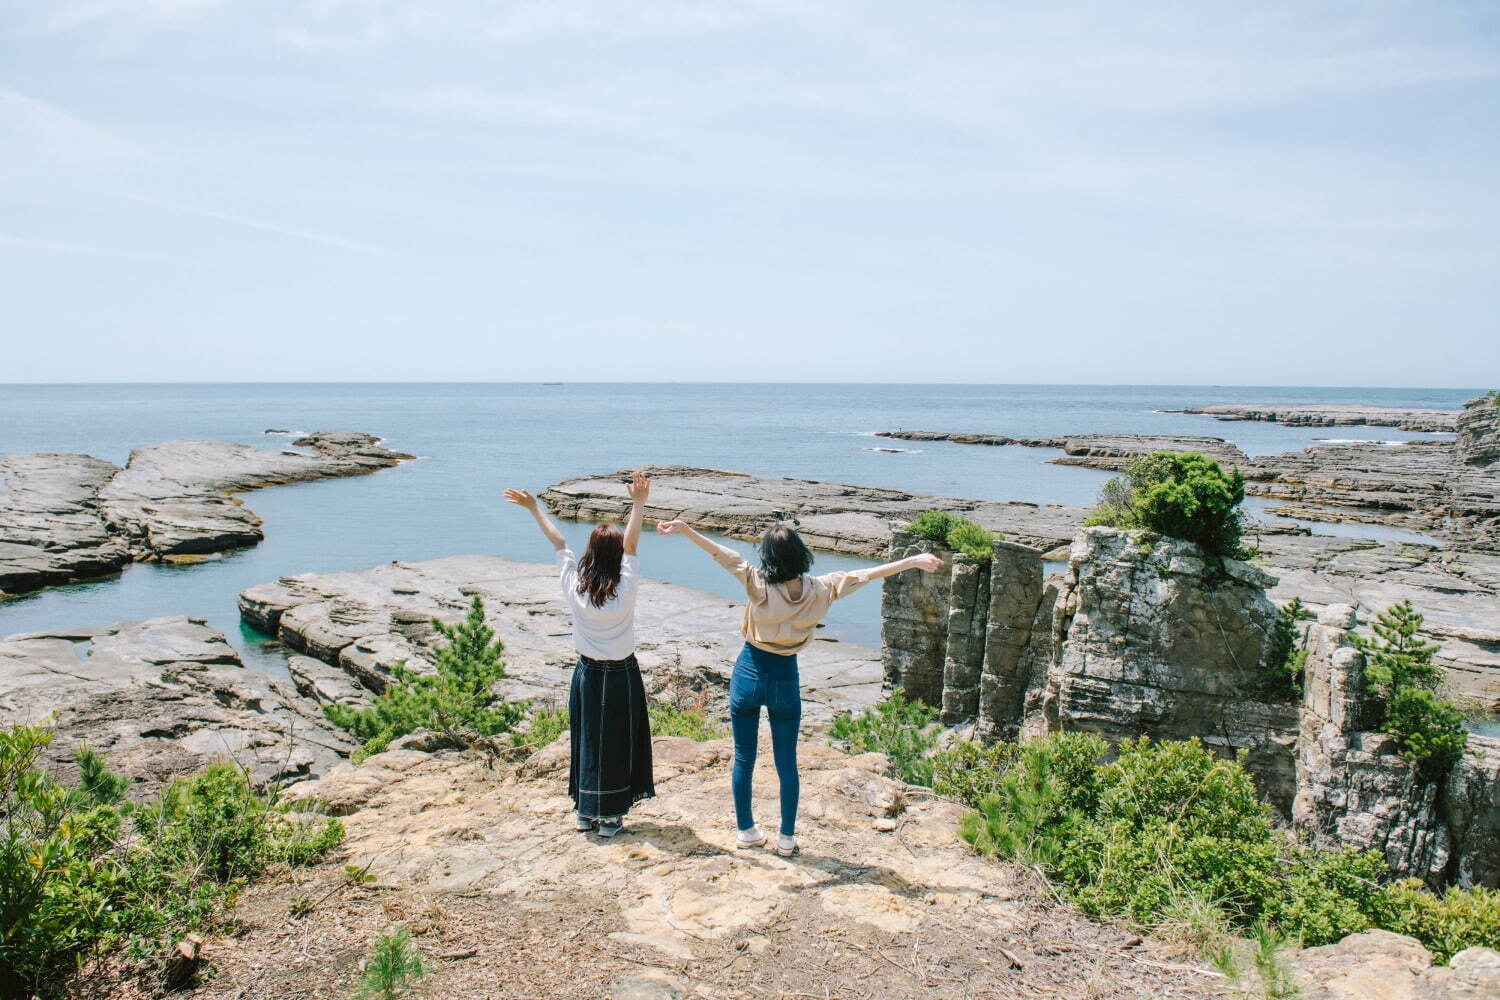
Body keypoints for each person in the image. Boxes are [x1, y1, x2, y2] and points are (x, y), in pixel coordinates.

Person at [657, 517, 944, 856]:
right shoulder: (823, 588)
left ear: (768, 557)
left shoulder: (757, 583)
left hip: (749, 671)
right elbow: (867, 575)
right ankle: (786, 838)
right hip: (784, 678)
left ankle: (747, 831)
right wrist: (913, 561)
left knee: (744, 759)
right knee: (786, 762)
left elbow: (723, 554)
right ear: (801, 554)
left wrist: (686, 530)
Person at [504, 471, 653, 837]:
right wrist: (639, 503)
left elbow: (559, 544)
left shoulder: (575, 586)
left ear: (591, 553)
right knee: (617, 740)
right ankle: (612, 817)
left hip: (586, 673)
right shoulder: (626, 588)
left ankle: (586, 812)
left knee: (587, 738)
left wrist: (534, 509)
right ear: (617, 556)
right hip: (620, 673)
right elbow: (632, 545)